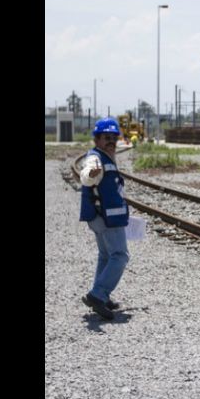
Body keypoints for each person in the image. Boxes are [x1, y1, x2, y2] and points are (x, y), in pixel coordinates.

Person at [78, 117, 130, 320]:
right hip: (106, 217)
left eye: (114, 137)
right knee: (120, 256)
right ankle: (98, 295)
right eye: (106, 137)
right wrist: (91, 173)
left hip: (102, 217)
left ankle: (101, 293)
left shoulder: (105, 155)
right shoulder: (95, 159)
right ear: (97, 139)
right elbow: (86, 175)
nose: (111, 141)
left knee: (106, 256)